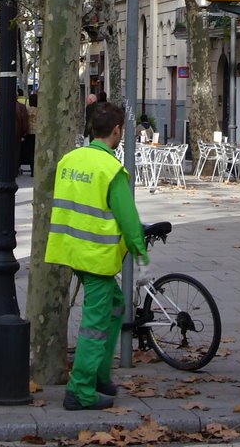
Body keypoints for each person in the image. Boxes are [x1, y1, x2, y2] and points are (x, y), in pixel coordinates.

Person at [45, 101, 149, 411]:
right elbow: (129, 219)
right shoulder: (111, 168)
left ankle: (100, 376)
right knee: (95, 323)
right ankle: (81, 390)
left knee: (115, 305)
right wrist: (140, 252)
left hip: (71, 249)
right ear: (117, 131)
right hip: (97, 255)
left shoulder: (70, 160)